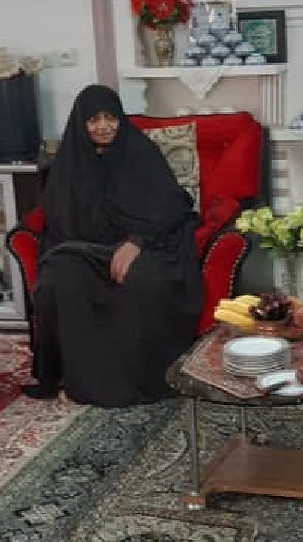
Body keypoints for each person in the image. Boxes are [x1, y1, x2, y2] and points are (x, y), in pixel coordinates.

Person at [20, 84, 203, 407]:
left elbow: (170, 207)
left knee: (145, 281)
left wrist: (136, 241)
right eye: (94, 120)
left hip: (146, 242)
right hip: (83, 248)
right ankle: (79, 381)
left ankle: (138, 380)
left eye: (110, 118)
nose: (103, 126)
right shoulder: (69, 162)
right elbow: (59, 220)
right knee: (61, 278)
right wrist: (88, 251)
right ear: (81, 124)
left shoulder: (140, 152)